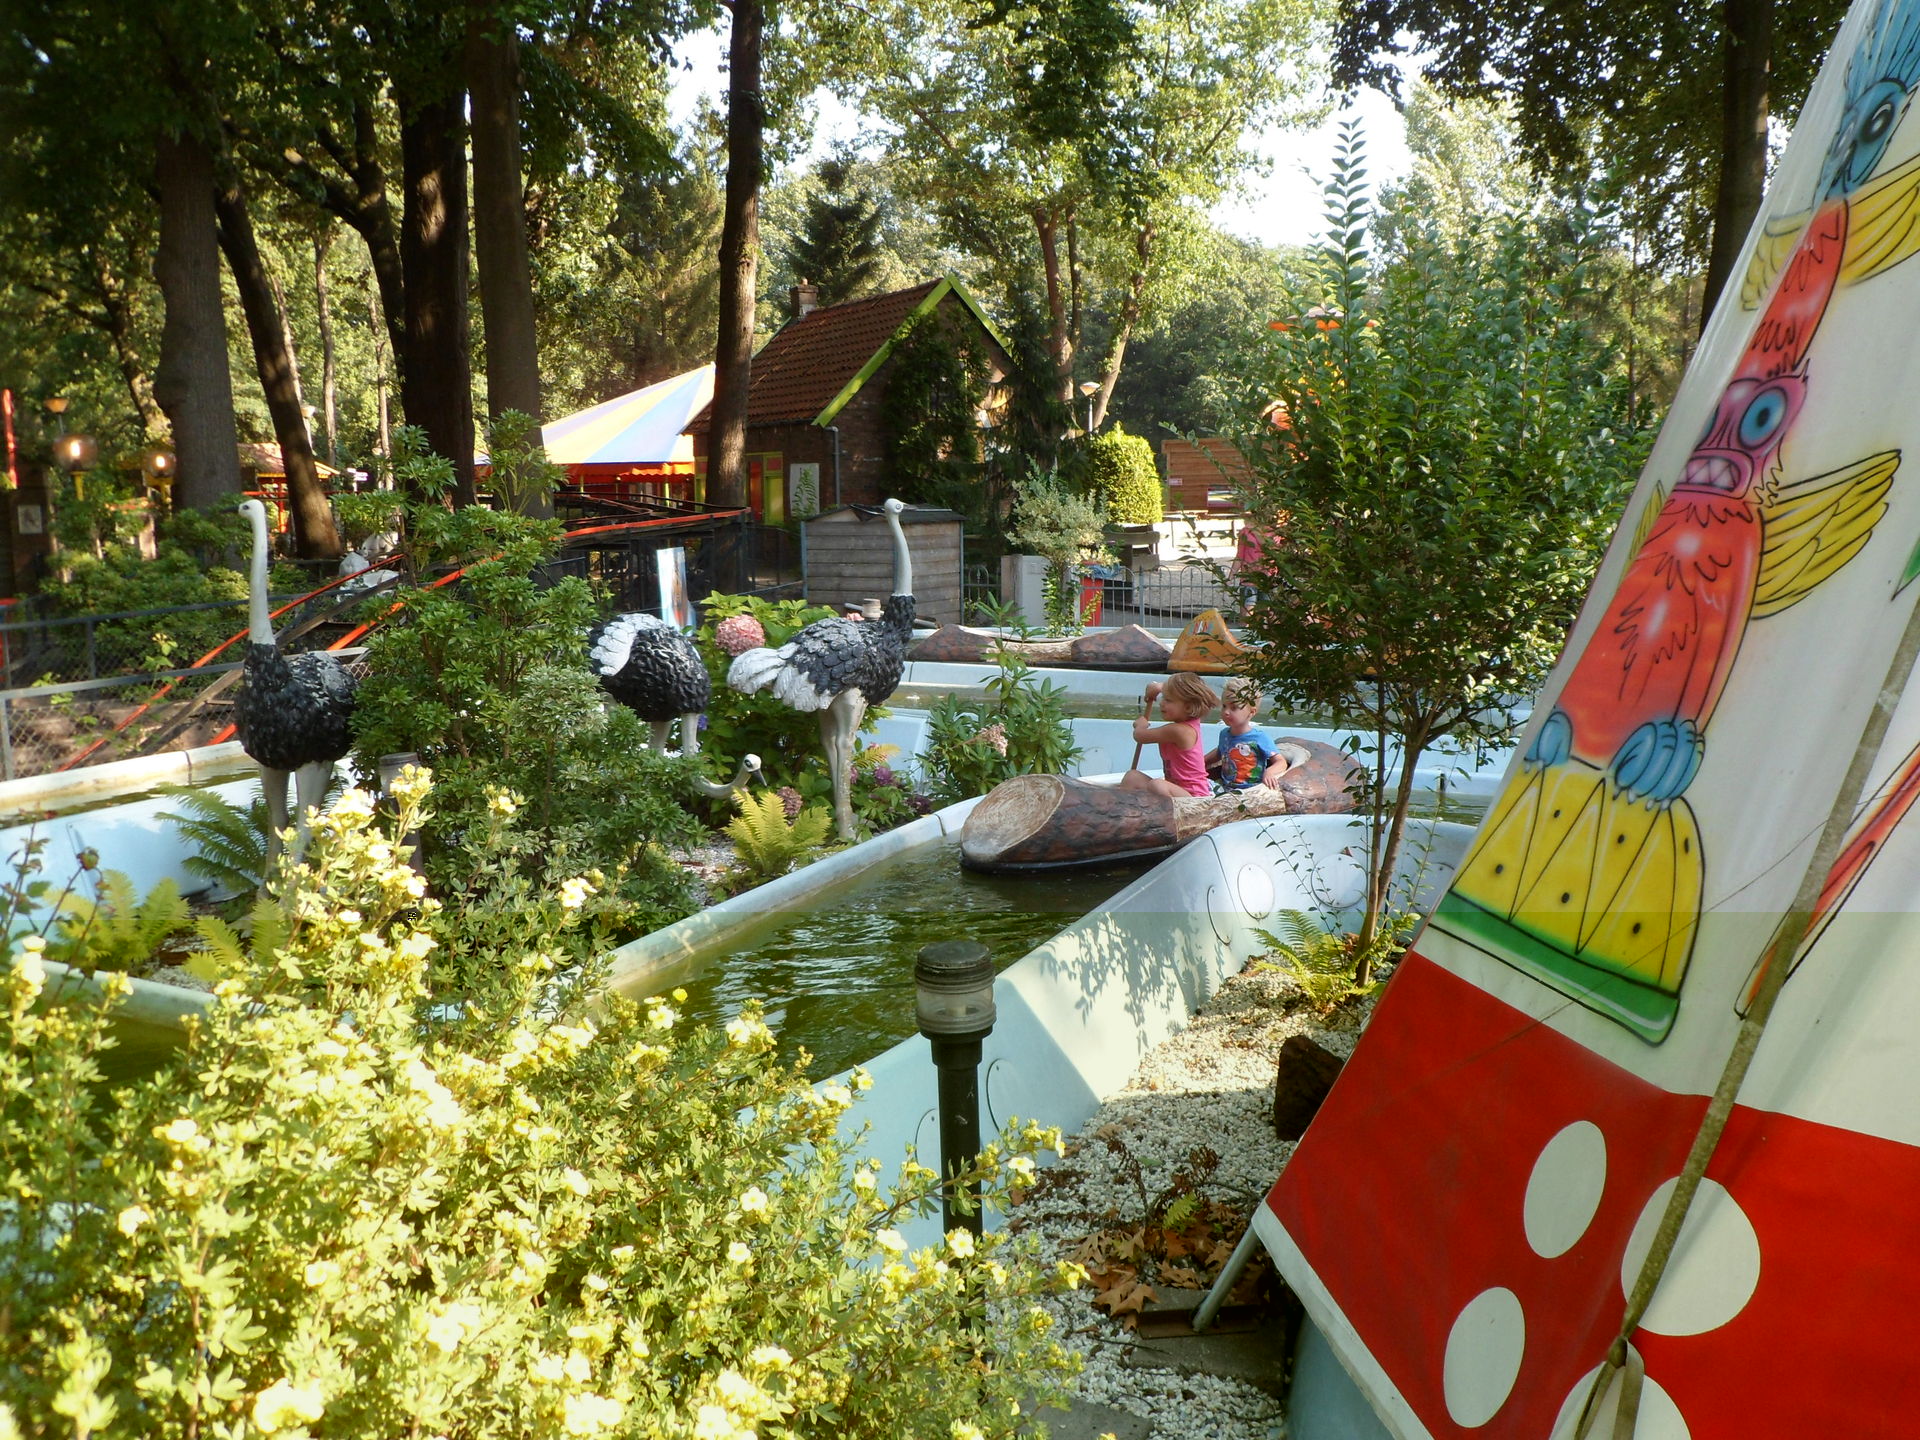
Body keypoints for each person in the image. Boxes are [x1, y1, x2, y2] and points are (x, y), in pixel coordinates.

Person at [1121, 673, 1217, 799]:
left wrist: (1140, 725)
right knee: (1132, 777)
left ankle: (1163, 810)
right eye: (1163, 697)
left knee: (1158, 785)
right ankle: (1127, 807)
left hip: (1194, 797)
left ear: (1188, 707)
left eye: (1168, 700)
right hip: (1175, 789)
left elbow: (1140, 736)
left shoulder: (1179, 731)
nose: (1162, 703)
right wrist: (1158, 687)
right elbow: (1181, 689)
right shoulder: (1186, 723)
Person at [1207, 678, 1296, 791]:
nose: (1226, 712)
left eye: (1234, 708)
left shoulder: (1259, 738)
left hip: (1251, 789)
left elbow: (1281, 762)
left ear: (1251, 712)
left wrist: (1269, 772)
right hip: (1226, 788)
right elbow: (1220, 752)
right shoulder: (1224, 734)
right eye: (1224, 706)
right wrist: (1200, 761)